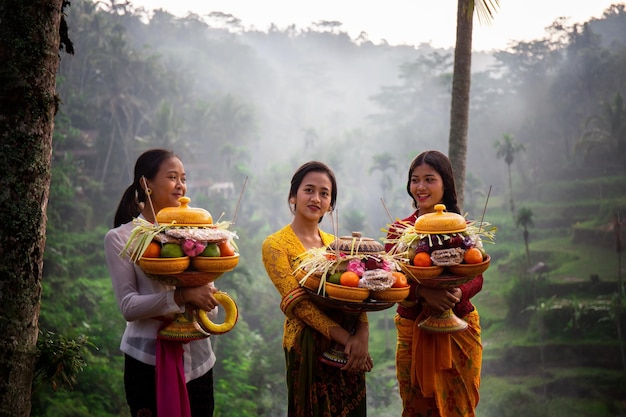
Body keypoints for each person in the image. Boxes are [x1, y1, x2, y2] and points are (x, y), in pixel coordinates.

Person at [104, 149, 220, 417]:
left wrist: (204, 299)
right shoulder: (120, 238)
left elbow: (209, 307)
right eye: (172, 177)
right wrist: (180, 298)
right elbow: (129, 307)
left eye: (183, 178)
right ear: (146, 184)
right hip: (145, 360)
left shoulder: (196, 235)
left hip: (199, 357)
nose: (181, 185)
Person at [262, 161, 373, 417]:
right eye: (309, 190)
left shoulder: (337, 244)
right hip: (308, 347)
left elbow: (357, 293)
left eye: (324, 193)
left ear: (331, 204)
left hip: (350, 348)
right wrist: (349, 340)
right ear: (293, 196)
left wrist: (363, 335)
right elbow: (298, 304)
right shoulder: (276, 244)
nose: (316, 198)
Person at [385, 150, 483, 417]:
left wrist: (457, 293)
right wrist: (425, 293)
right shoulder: (399, 231)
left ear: (445, 184)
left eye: (429, 179)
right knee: (417, 406)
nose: (420, 187)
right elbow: (390, 277)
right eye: (415, 180)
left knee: (460, 408)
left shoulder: (462, 228)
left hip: (460, 328)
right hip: (412, 326)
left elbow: (477, 275)